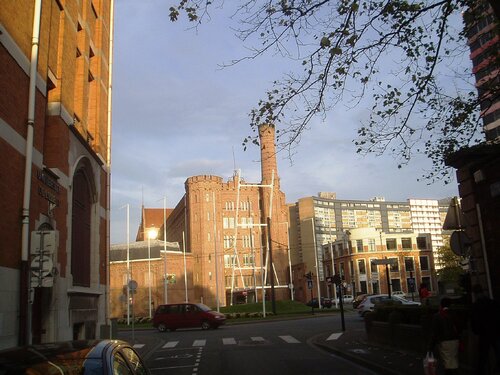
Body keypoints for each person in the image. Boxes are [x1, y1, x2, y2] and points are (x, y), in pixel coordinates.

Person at [471, 284, 500, 375]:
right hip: (495, 332)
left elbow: (474, 321)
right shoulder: (492, 303)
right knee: (498, 352)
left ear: (475, 294)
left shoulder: (475, 306)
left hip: (484, 333)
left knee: (482, 357)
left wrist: (476, 330)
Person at [429, 297, 460, 375]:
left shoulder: (437, 316)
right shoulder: (454, 313)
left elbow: (434, 332)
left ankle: (451, 373)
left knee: (447, 362)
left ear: (441, 305)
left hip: (444, 341)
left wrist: (431, 346)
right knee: (452, 359)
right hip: (455, 340)